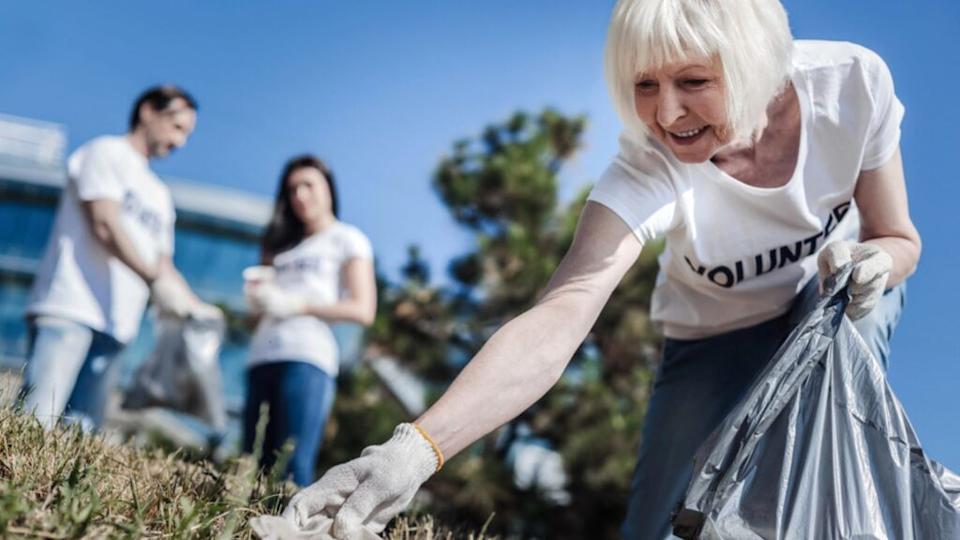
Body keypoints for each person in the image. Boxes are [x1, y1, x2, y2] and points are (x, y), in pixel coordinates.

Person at [264, 0, 921, 538]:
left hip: (827, 308)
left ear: (751, 67)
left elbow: (899, 238)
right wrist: (414, 450)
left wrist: (877, 262)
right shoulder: (648, 165)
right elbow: (562, 312)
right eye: (645, 85)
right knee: (654, 527)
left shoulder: (852, 86)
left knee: (847, 323)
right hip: (710, 336)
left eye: (694, 81)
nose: (667, 113)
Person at [20, 85, 217, 431]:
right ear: (148, 111)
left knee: (78, 438)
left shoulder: (159, 196)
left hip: (117, 328)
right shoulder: (104, 153)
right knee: (35, 423)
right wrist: (154, 279)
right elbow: (104, 224)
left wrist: (195, 307)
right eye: (177, 127)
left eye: (187, 133)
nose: (181, 141)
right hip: (71, 310)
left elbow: (164, 267)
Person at [243, 155, 376, 487]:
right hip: (262, 355)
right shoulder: (279, 245)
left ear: (328, 189)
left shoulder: (347, 238)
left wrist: (300, 305)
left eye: (308, 185)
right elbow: (255, 317)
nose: (300, 195)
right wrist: (258, 302)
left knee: (292, 464)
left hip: (307, 357)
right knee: (253, 463)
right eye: (292, 190)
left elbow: (363, 309)